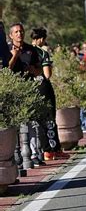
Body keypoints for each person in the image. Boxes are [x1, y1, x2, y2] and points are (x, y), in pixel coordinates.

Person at [8, 23, 45, 166]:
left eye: (21, 31)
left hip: (29, 89)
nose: (19, 34)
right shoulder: (6, 49)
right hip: (13, 91)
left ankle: (34, 153)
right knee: (16, 125)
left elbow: (39, 70)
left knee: (32, 122)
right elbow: (6, 68)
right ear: (11, 35)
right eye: (16, 32)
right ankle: (16, 156)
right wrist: (15, 56)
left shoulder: (31, 50)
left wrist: (33, 70)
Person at [30, 28, 69, 161]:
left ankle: (45, 151)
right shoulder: (42, 53)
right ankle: (54, 150)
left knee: (38, 121)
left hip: (29, 87)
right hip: (43, 87)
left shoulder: (26, 51)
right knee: (49, 118)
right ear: (41, 39)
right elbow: (47, 75)